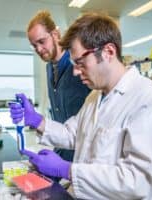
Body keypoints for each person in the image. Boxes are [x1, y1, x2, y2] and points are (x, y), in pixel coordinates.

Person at [10, 13, 152, 199]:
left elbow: (139, 181)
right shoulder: (95, 96)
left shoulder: (149, 99)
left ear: (108, 52)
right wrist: (37, 121)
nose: (75, 71)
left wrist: (68, 170)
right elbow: (73, 133)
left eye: (80, 63)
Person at [27, 11, 91, 165]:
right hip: (62, 147)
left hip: (84, 154)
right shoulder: (49, 68)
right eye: (34, 45)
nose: (39, 49)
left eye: (42, 41)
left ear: (55, 34)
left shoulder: (77, 64)